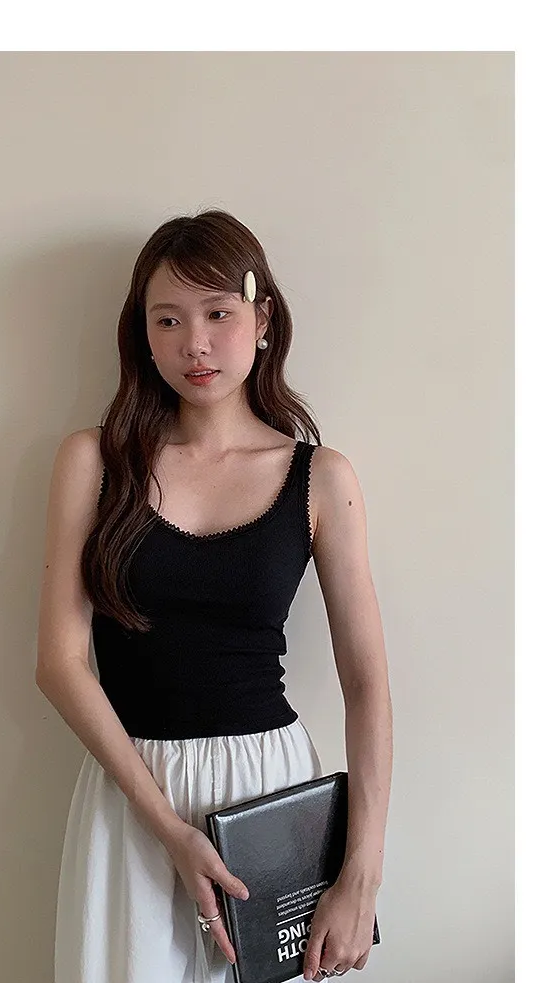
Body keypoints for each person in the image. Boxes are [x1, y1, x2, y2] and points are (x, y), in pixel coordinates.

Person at [36, 209, 392, 983]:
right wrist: (168, 826)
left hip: (270, 799)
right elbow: (60, 663)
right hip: (133, 793)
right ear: (142, 334)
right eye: (168, 320)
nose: (194, 343)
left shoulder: (320, 477)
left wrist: (360, 873)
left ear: (263, 321)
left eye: (218, 314)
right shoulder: (94, 462)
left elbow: (367, 682)